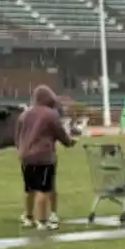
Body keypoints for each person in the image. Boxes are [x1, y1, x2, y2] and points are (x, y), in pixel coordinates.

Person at [14, 84, 74, 230]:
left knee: (29, 189)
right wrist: (69, 142)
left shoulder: (24, 115)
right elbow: (60, 133)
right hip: (44, 157)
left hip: (26, 156)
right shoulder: (50, 115)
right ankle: (42, 221)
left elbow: (17, 136)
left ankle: (28, 217)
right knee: (44, 190)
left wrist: (22, 149)